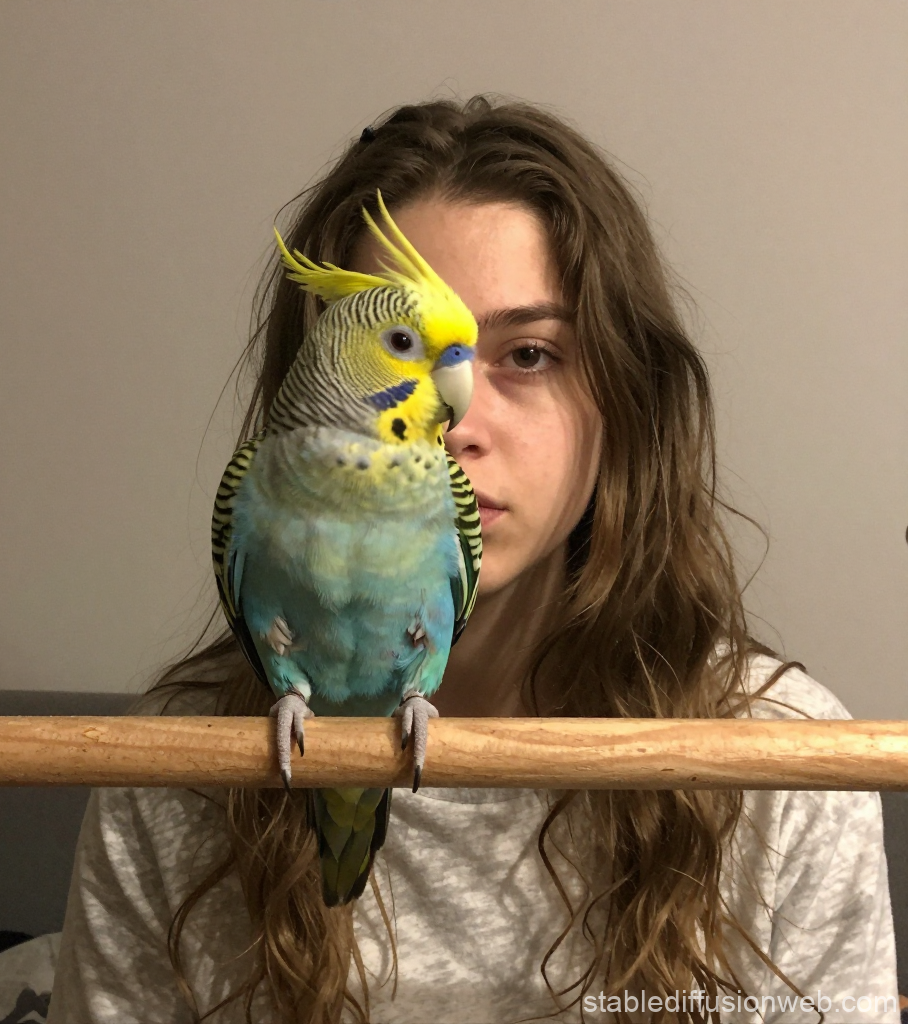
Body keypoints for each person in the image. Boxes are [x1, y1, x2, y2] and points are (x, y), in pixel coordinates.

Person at [48, 97, 899, 1024]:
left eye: (530, 354)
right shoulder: (167, 773)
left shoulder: (788, 767)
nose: (461, 423)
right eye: (405, 352)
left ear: (626, 395)